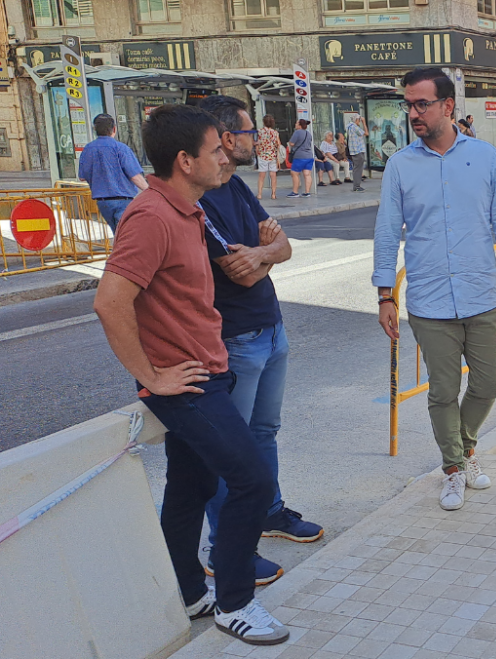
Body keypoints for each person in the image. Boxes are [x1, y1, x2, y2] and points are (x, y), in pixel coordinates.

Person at [92, 104, 289, 646]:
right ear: (184, 161)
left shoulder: (190, 208)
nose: (227, 155)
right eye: (215, 150)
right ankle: (235, 603)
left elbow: (258, 257)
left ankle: (186, 591)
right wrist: (151, 377)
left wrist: (270, 247)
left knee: (190, 486)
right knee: (251, 479)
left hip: (211, 368)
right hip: (187, 384)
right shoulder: (151, 215)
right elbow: (110, 303)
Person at [373, 67, 496, 511]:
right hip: (429, 301)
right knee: (441, 391)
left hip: (481, 294)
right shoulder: (400, 164)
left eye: (422, 104)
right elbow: (386, 232)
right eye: (409, 105)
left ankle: (465, 446)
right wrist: (385, 294)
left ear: (447, 106)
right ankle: (454, 468)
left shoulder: (485, 156)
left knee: (489, 382)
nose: (413, 114)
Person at [195, 95, 324, 587]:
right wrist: (267, 250)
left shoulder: (237, 186)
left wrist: (265, 250)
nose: (256, 140)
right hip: (236, 339)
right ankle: (226, 546)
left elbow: (281, 246)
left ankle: (267, 513)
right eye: (250, 133)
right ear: (228, 139)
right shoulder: (203, 197)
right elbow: (242, 272)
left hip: (271, 330)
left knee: (264, 433)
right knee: (231, 448)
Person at [77, 113, 148, 232]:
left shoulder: (88, 149)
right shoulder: (120, 148)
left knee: (119, 234)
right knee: (127, 235)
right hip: (123, 201)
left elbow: (82, 177)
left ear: (95, 130)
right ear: (114, 129)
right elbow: (135, 176)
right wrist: (150, 190)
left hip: (103, 202)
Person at [255, 115, 280, 201]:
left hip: (262, 155)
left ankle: (259, 194)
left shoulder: (259, 132)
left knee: (262, 175)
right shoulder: (275, 133)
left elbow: (257, 144)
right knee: (273, 175)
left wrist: (258, 152)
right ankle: (273, 194)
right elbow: (278, 144)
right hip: (272, 155)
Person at [287, 119, 314, 198]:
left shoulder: (297, 132)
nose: (295, 124)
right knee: (307, 174)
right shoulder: (308, 133)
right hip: (309, 156)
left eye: (296, 123)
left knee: (294, 173)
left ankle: (295, 192)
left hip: (299, 156)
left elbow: (292, 143)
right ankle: (307, 192)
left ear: (299, 125)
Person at [346, 114, 369, 192]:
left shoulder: (349, 127)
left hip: (354, 151)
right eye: (359, 120)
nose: (360, 121)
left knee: (356, 168)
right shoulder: (354, 127)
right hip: (358, 150)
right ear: (356, 120)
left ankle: (356, 185)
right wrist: (364, 123)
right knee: (358, 169)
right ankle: (357, 186)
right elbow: (366, 133)